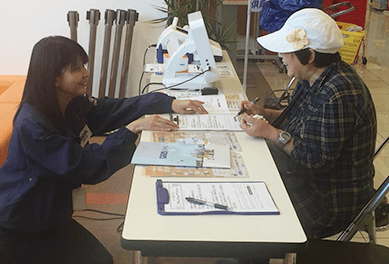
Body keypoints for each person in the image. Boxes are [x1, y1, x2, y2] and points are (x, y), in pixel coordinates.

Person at [0, 36, 208, 263]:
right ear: (55, 78)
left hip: (51, 214)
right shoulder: (32, 125)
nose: (86, 73)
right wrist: (132, 129)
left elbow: (112, 109)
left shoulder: (71, 102)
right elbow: (83, 165)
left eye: (83, 65)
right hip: (22, 224)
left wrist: (167, 102)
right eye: (77, 68)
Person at [239, 8, 377, 239]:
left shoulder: (339, 92)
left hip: (330, 197)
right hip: (309, 178)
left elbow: (316, 161)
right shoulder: (314, 76)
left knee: (256, 209)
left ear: (309, 55)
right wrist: (263, 113)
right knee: (251, 178)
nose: (282, 57)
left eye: (287, 52)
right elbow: (299, 117)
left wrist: (271, 132)